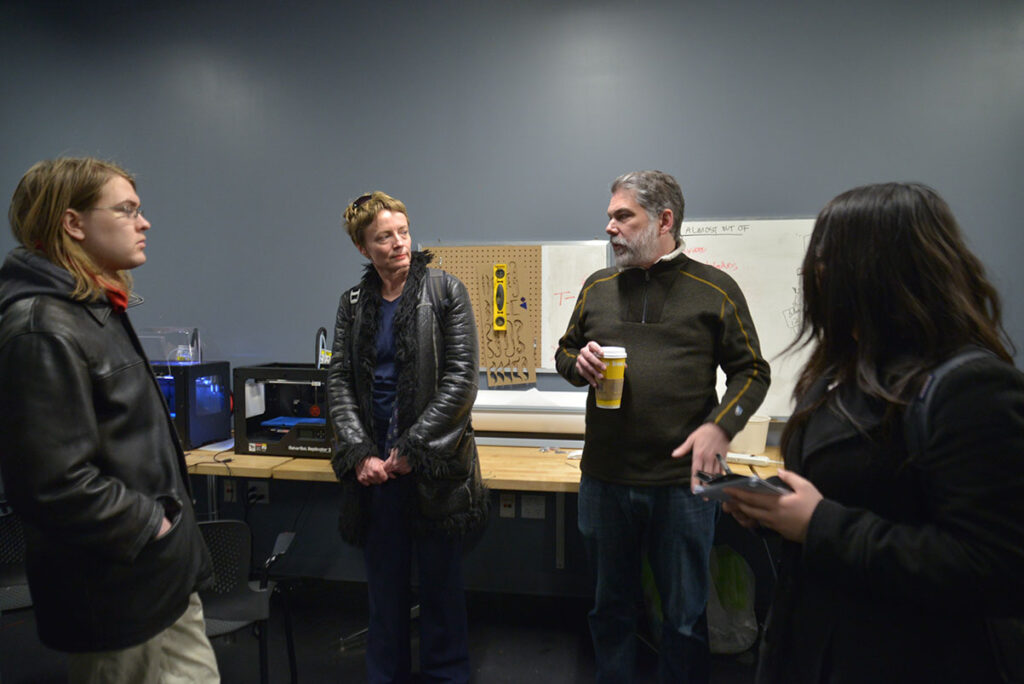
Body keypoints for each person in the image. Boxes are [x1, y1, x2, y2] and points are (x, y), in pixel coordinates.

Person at [723, 182, 1024, 683]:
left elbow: (996, 568)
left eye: (826, 259)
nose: (814, 274)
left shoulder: (971, 386)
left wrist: (818, 525)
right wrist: (776, 514)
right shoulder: (838, 375)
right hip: (815, 648)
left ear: (878, 270)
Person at [0, 158, 219, 682]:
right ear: (73, 223)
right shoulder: (41, 327)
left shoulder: (92, 307)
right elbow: (52, 484)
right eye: (127, 211)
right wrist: (154, 525)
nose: (144, 224)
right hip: (119, 594)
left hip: (158, 581)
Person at [555, 170, 771, 682]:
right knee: (609, 611)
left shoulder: (714, 289)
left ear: (664, 219)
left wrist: (721, 427)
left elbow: (752, 371)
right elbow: (566, 352)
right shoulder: (597, 286)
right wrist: (575, 365)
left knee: (684, 619)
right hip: (605, 481)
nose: (610, 227)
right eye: (610, 216)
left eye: (622, 216)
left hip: (682, 488)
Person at [327, 191, 489, 683]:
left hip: (433, 469)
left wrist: (411, 450)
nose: (398, 243)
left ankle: (447, 675)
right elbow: (338, 382)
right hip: (376, 476)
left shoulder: (445, 291)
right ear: (363, 248)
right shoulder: (353, 303)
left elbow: (461, 381)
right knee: (385, 592)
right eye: (383, 237)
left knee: (441, 590)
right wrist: (359, 455)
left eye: (402, 231)